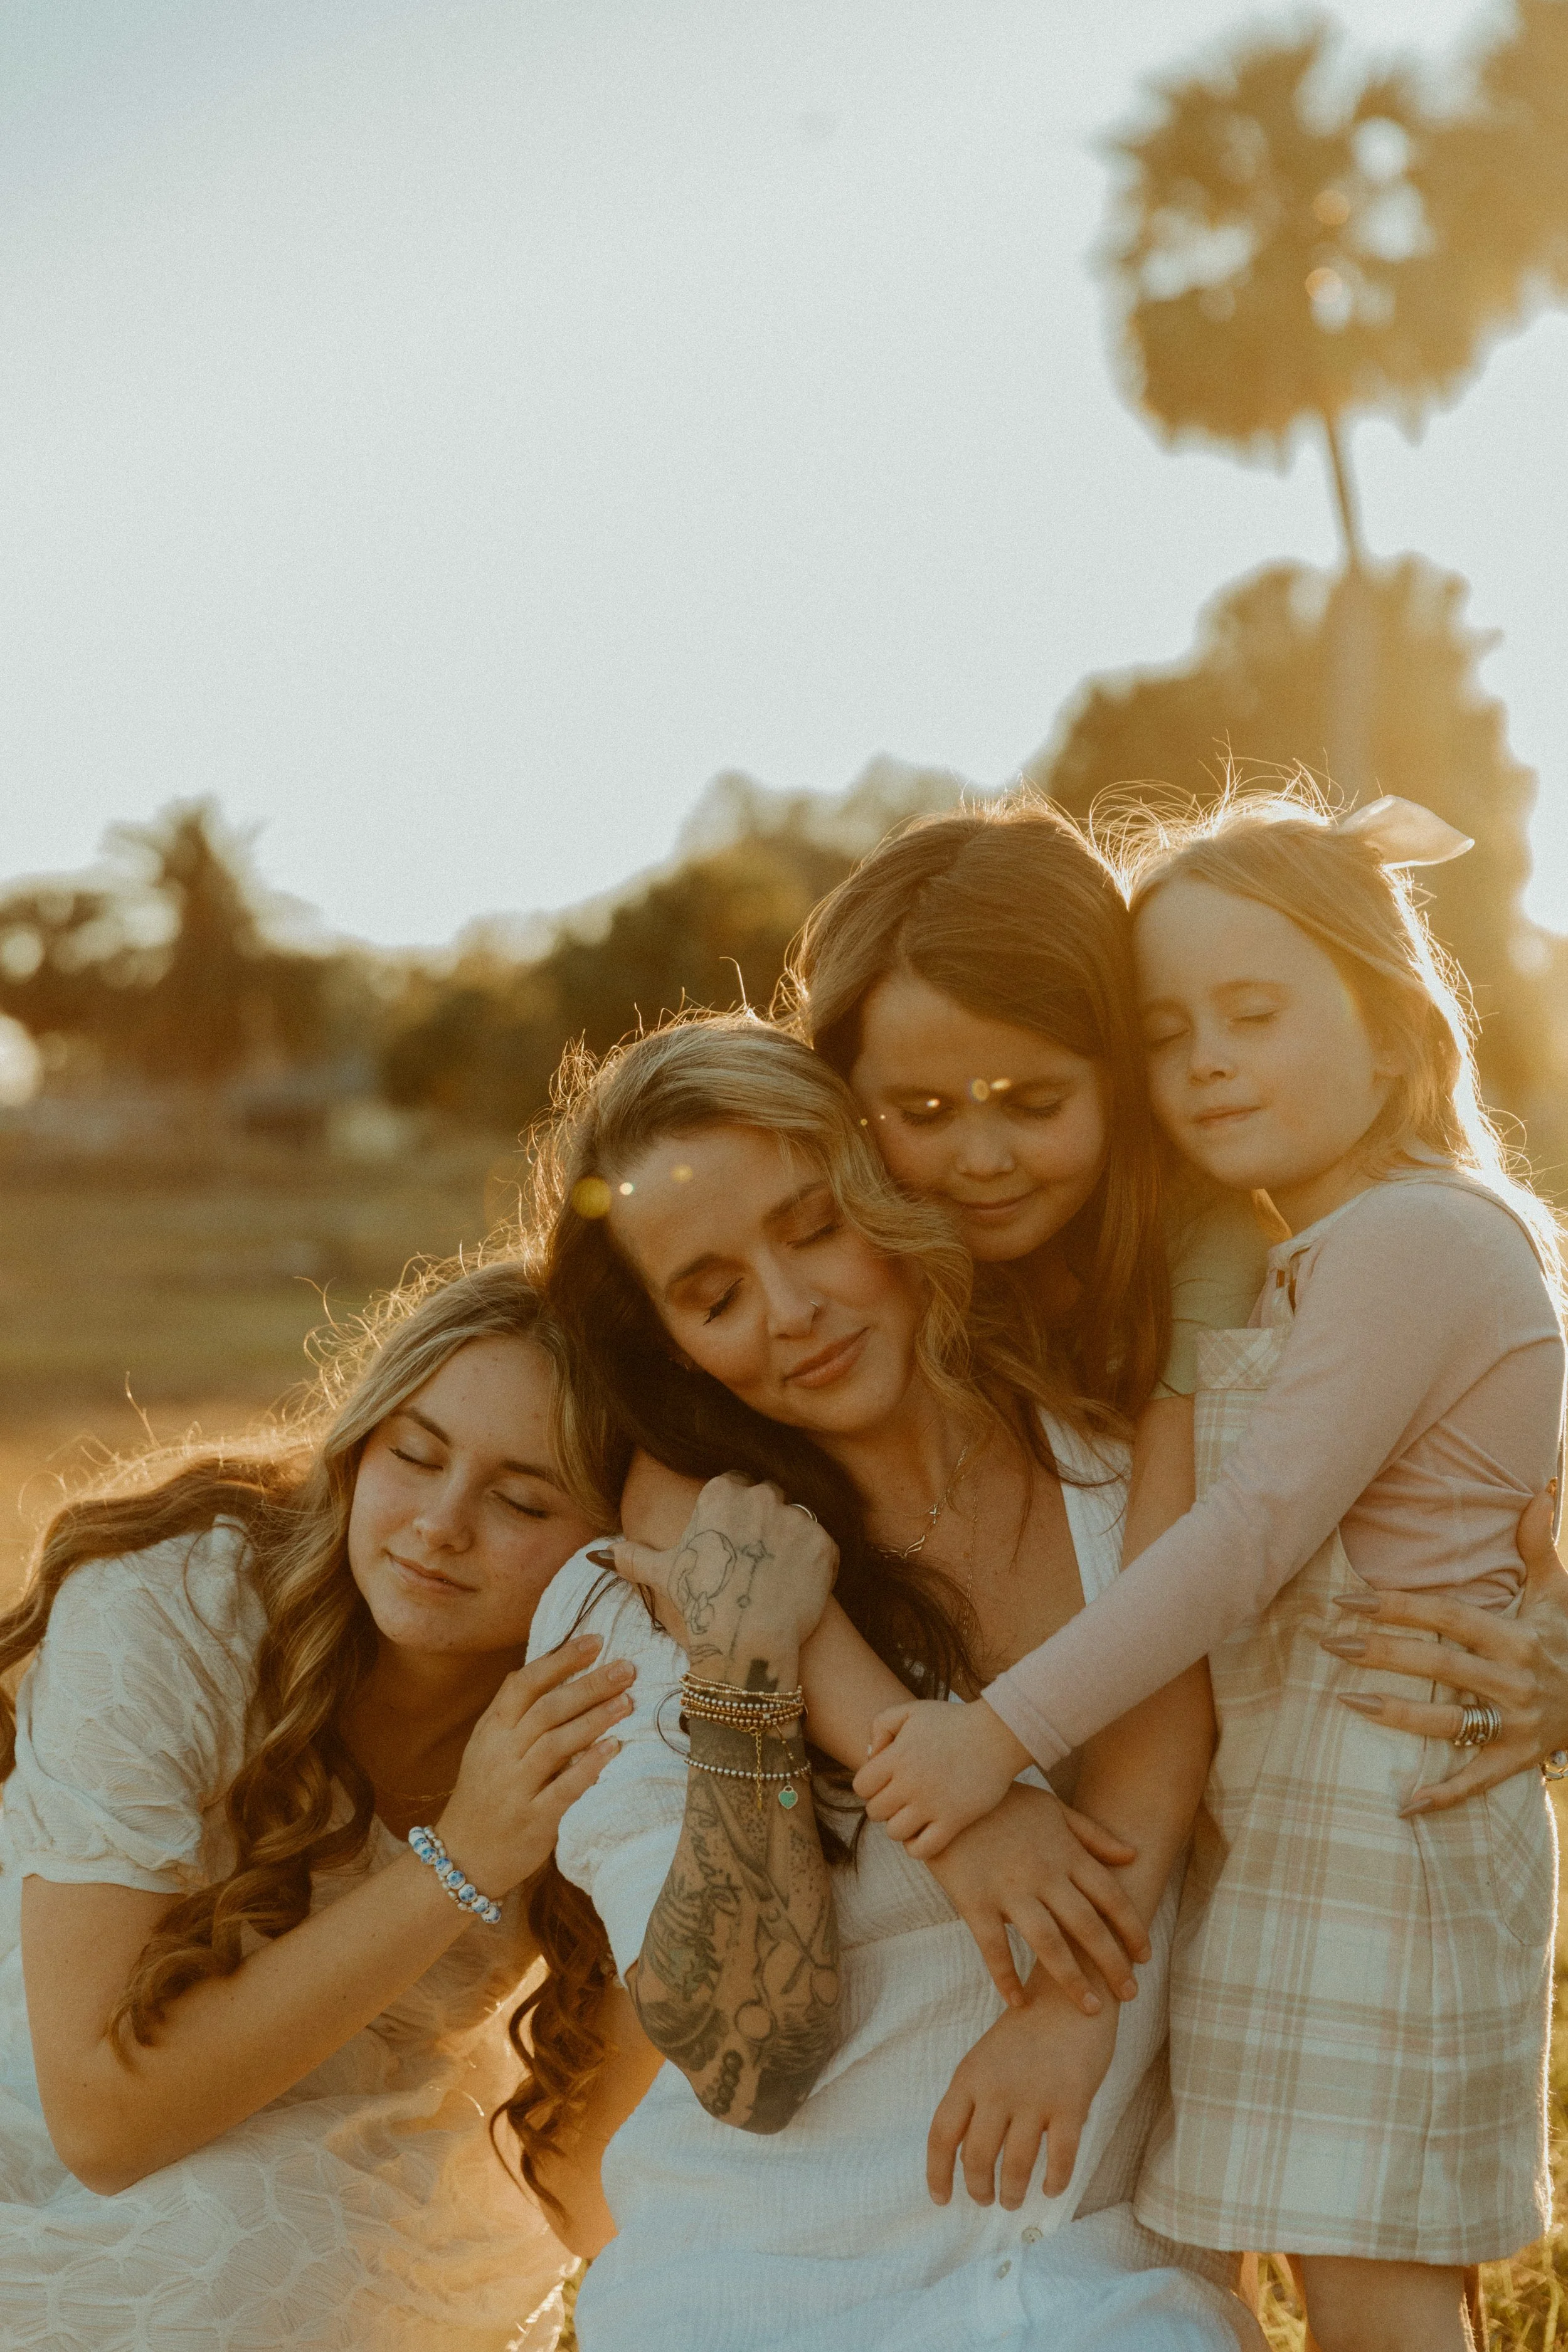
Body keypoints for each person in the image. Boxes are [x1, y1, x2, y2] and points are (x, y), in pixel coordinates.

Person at [853, 791, 1564, 2352]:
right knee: (1278, 2277)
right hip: (1295, 1821)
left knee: (1375, 2299)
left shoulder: (1412, 1243)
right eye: (1167, 1035)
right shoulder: (1298, 1246)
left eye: (1251, 1014)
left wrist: (1000, 1732)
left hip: (1387, 1822)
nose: (1205, 1066)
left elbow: (1236, 1548)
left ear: (1391, 1032)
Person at [514, 1015, 1263, 2351]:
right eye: (712, 1293)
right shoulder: (637, 1595)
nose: (789, 1310)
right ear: (667, 1346)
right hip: (761, 2298)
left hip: (1109, 2298)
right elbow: (744, 2063)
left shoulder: (1129, 1488)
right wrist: (750, 1675)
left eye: (812, 1228)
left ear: (889, 1194)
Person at [787, 791, 1568, 1799]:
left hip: (1238, 1854)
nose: (982, 1159)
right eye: (923, 1110)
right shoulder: (811, 1265)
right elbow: (661, 1446)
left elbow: (1372, 1504)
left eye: (1038, 1101)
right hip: (940, 1837)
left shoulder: (1248, 1243)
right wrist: (935, 1768)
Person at [0, 1258, 632, 2352]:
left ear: (611, 1552)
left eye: (522, 1499)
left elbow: (590, 2198)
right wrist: (465, 1858)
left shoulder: (606, 1715)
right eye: (415, 1454)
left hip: (360, 2155)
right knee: (240, 2271)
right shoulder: (172, 1608)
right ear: (355, 1447)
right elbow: (102, 2120)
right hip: (45, 2116)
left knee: (300, 2267)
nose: (439, 1524)